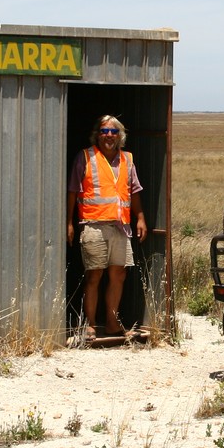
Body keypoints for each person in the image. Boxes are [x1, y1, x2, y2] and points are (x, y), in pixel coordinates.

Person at [67, 115, 148, 341]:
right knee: (94, 275)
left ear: (120, 135)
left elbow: (134, 191)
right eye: (104, 131)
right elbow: (73, 191)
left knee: (118, 275)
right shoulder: (85, 157)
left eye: (113, 132)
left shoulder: (127, 159)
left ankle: (112, 324)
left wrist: (140, 218)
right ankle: (91, 325)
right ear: (98, 134)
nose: (109, 136)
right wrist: (69, 223)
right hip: (94, 225)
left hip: (121, 227)